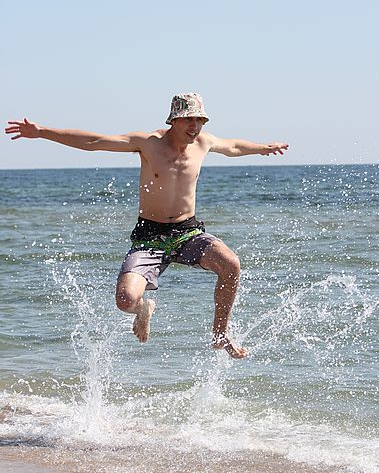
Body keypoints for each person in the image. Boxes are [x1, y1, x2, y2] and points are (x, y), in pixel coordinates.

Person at [5, 93, 288, 359]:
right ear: (174, 119)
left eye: (200, 120)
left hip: (187, 232)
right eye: (189, 119)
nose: (195, 125)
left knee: (231, 264)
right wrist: (42, 132)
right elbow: (94, 142)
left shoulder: (204, 143)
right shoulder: (148, 143)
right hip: (149, 236)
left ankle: (220, 334)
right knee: (125, 300)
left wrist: (263, 148)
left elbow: (236, 146)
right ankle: (143, 310)